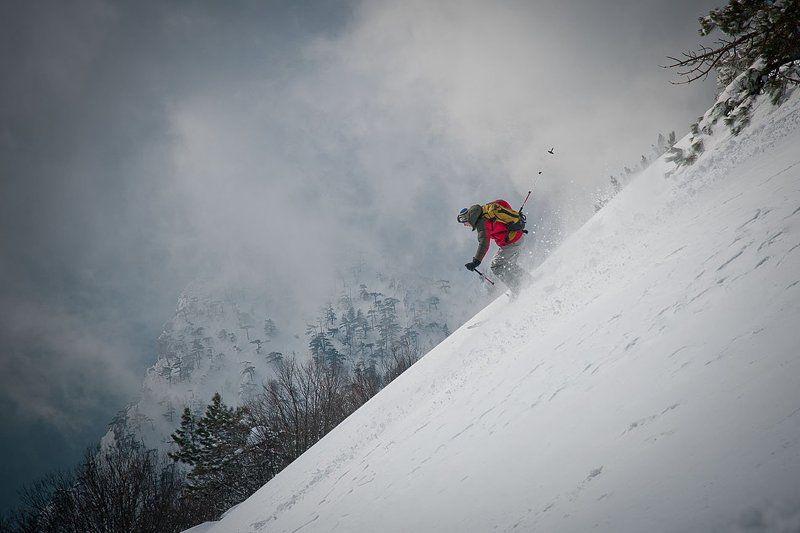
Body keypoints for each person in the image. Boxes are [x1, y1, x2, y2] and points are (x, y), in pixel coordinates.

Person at [458, 200, 531, 295]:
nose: (465, 225)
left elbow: (484, 243)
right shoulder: (485, 209)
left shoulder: (481, 224)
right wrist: (513, 220)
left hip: (512, 241)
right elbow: (502, 203)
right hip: (518, 236)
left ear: (469, 218)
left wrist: (476, 262)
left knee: (496, 266)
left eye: (465, 222)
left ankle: (518, 289)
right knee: (508, 265)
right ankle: (528, 281)